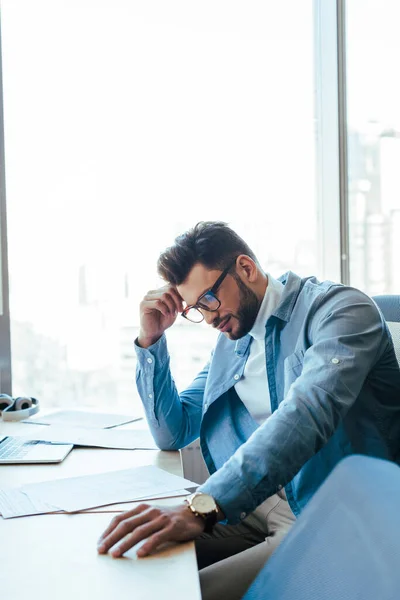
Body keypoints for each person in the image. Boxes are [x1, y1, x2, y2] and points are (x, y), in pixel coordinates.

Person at [97, 221, 400, 600]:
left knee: (188, 592)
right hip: (259, 501)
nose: (207, 317)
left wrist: (199, 509)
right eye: (195, 308)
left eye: (209, 298)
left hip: (334, 515)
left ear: (246, 268)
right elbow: (173, 431)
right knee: (125, 553)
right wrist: (151, 339)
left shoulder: (340, 311)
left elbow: (305, 415)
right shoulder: (233, 342)